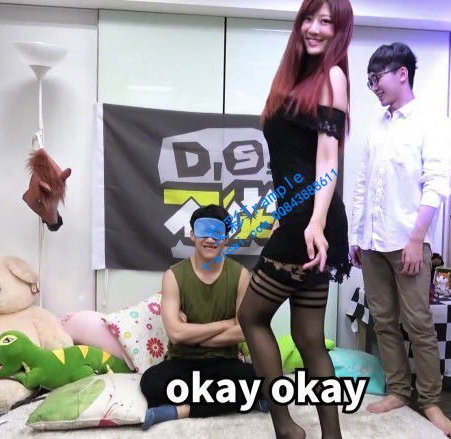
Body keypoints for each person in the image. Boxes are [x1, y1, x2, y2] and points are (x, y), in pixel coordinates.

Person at [237, 1, 354, 438]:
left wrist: (315, 222)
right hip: (301, 214)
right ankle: (330, 436)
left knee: (251, 316)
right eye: (309, 18)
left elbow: (327, 159)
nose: (314, 28)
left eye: (326, 21)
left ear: (339, 30)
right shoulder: (296, 78)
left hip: (311, 217)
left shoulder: (332, 77)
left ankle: (286, 426)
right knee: (307, 337)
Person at [348, 42, 451, 436]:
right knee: (383, 321)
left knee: (419, 324)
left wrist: (416, 239)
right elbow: (362, 183)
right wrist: (356, 235)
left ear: (402, 74)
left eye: (376, 78)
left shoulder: (431, 121)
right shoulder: (376, 126)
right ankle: (398, 391)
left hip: (408, 241)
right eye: (369, 81)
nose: (373, 87)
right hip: (372, 243)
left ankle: (431, 402)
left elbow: (437, 183)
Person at [140, 205, 267, 430]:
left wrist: (193, 335)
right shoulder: (173, 276)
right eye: (204, 231)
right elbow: (176, 334)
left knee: (262, 379)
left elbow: (243, 331)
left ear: (225, 238)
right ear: (192, 234)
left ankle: (180, 410)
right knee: (151, 382)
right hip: (182, 362)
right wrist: (226, 323)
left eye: (217, 232)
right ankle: (239, 401)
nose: (210, 239)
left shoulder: (240, 275)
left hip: (225, 363)